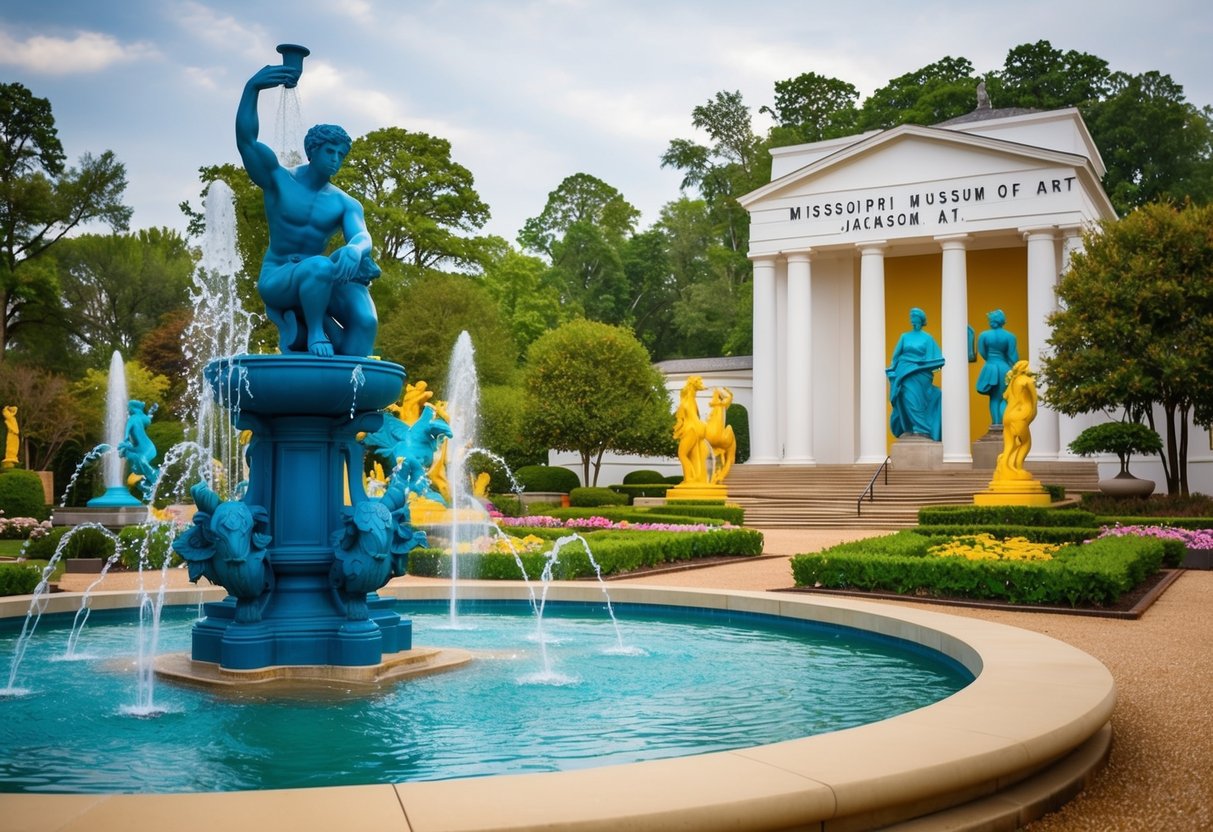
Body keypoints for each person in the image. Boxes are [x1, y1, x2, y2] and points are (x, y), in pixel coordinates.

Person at [236, 62, 380, 357]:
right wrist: (252, 89)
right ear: (312, 151)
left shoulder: (344, 202)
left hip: (320, 276)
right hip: (278, 276)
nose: (336, 159)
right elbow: (247, 141)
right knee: (319, 264)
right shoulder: (279, 179)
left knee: (365, 318)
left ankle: (348, 383)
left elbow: (362, 236)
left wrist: (354, 250)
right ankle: (316, 331)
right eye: (330, 151)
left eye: (341, 154)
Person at [886, 307, 945, 441]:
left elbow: (935, 360)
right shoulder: (904, 337)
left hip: (921, 374)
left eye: (915, 317)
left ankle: (922, 430)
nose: (912, 320)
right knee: (907, 398)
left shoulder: (927, 338)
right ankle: (910, 428)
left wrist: (921, 365)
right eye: (911, 317)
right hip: (904, 371)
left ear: (921, 320)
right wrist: (892, 370)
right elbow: (896, 356)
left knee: (918, 400)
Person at [975, 309, 1019, 425]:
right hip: (1005, 368)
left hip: (990, 367)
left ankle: (996, 424)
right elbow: (1013, 356)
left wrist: (990, 360)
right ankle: (1004, 425)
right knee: (1004, 398)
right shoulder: (1010, 336)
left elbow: (982, 352)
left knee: (994, 398)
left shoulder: (984, 335)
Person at [995, 361, 1036, 479]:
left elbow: (1005, 397)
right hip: (1020, 415)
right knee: (1025, 443)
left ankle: (1004, 467)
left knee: (1009, 445)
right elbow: (1034, 401)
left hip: (1008, 416)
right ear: (1025, 368)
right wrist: (1032, 414)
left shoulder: (1012, 382)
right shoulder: (1027, 381)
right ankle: (1018, 468)